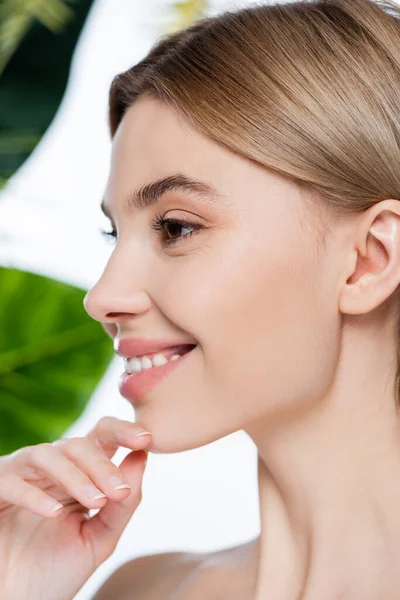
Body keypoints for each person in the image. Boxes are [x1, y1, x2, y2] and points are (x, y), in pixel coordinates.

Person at [2, 0, 400, 598]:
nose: (102, 297)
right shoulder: (141, 590)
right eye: (116, 234)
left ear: (369, 260)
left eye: (176, 228)